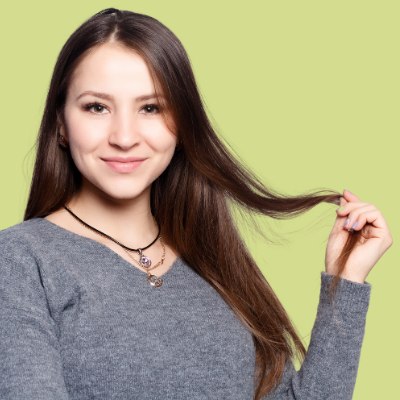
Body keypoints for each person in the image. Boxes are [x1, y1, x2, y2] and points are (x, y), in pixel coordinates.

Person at [0, 7, 392, 400]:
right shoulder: (20, 260)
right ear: (62, 125)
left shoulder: (212, 261)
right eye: (96, 107)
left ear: (183, 125)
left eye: (150, 108)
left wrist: (345, 281)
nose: (124, 136)